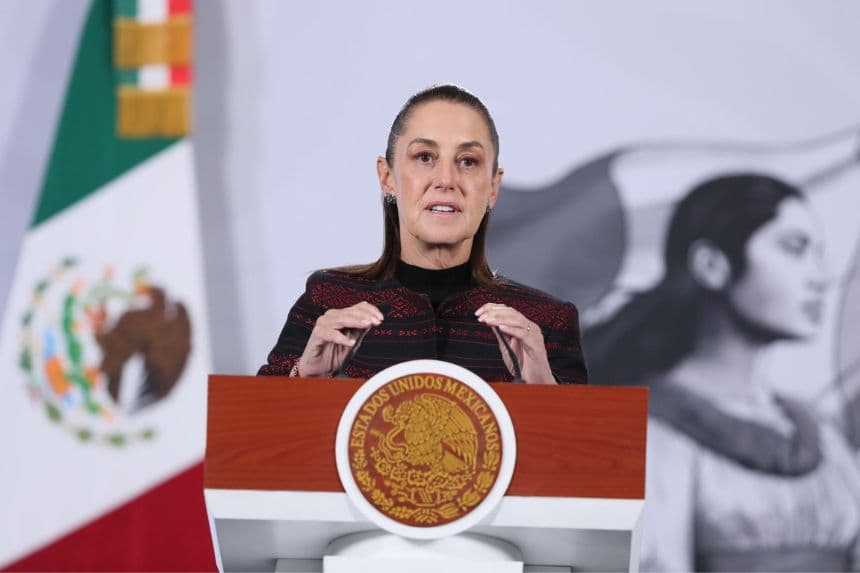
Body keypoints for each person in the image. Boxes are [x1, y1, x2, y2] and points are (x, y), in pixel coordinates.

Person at [585, 174, 860, 571]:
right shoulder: (650, 435)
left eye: (819, 252)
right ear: (712, 265)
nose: (820, 277)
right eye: (795, 248)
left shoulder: (821, 436)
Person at [258, 85, 587, 385]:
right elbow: (250, 432)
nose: (446, 179)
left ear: (493, 187)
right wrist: (305, 375)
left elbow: (591, 446)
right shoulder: (328, 302)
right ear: (387, 177)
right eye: (424, 157)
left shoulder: (544, 322)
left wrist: (545, 390)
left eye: (468, 161)